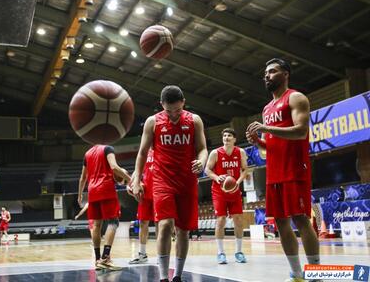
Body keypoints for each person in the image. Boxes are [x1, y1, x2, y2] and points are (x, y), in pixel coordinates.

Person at [246, 58, 320, 282]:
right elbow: (274, 145)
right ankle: (297, 274)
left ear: (285, 74)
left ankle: (316, 273)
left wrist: (267, 127)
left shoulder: (295, 98)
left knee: (300, 220)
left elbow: (300, 131)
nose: (267, 76)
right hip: (274, 171)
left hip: (294, 169)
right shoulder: (267, 108)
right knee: (280, 222)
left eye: (272, 71)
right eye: (265, 73)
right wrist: (259, 142)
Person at [131, 85, 208, 282]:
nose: (173, 115)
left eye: (177, 110)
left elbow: (203, 149)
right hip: (162, 180)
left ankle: (178, 276)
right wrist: (137, 179)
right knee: (165, 225)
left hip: (187, 181)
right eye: (169, 110)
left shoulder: (194, 120)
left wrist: (202, 161)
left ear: (183, 102)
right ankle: (164, 277)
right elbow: (142, 153)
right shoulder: (153, 121)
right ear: (161, 105)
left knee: (183, 230)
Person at [78, 144, 130, 271]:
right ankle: (106, 258)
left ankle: (97, 260)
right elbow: (114, 167)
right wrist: (131, 180)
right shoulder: (108, 149)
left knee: (96, 225)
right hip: (105, 188)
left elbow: (83, 177)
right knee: (113, 222)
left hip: (92, 191)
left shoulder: (87, 153)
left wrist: (80, 194)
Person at [205, 128, 248, 264]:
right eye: (224, 136)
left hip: (234, 191)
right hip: (219, 192)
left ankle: (239, 252)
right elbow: (207, 169)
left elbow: (245, 169)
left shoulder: (240, 152)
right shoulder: (215, 153)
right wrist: (217, 178)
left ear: (234, 139)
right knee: (221, 220)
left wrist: (238, 182)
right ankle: (220, 253)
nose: (226, 137)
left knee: (238, 221)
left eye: (229, 135)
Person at [129, 148, 155, 264]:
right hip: (144, 194)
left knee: (160, 224)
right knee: (143, 223)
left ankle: (161, 254)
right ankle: (142, 254)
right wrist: (132, 185)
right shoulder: (144, 152)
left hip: (159, 191)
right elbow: (136, 172)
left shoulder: (162, 148)